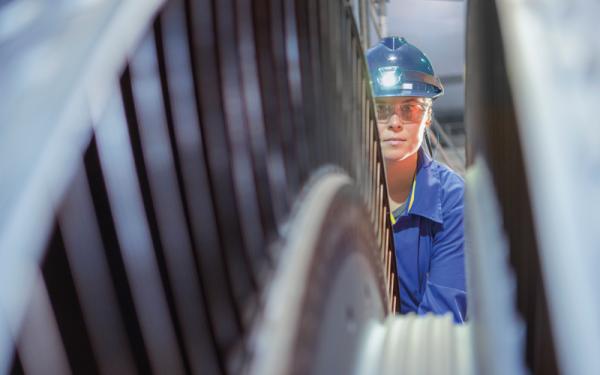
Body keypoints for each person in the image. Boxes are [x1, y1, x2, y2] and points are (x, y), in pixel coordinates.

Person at [366, 36, 466, 323]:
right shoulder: (346, 194)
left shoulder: (453, 202)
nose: (395, 122)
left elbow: (440, 321)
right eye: (382, 108)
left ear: (428, 116)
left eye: (408, 109)